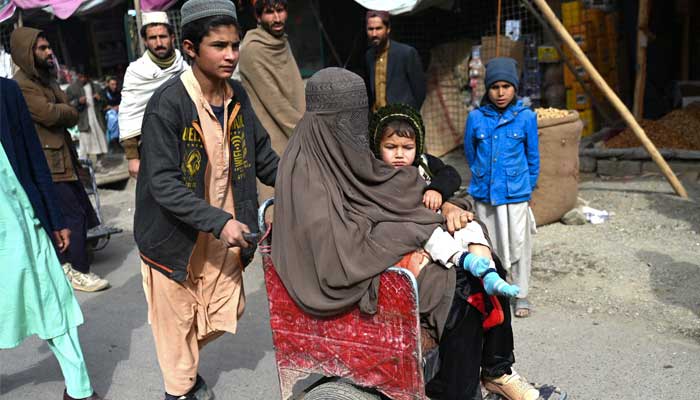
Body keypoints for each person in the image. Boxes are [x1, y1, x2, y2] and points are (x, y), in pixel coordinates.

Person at [273, 67, 538, 400]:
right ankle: (457, 391)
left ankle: (497, 370)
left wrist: (445, 209)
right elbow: (338, 246)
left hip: (383, 250)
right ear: (331, 117)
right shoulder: (306, 170)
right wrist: (412, 233)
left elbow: (385, 196)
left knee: (485, 264)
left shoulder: (342, 151)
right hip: (350, 274)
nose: (356, 129)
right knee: (459, 290)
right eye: (349, 119)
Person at [134, 0, 279, 398]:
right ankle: (179, 390)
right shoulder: (169, 104)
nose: (231, 55)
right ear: (190, 48)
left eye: (234, 45)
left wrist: (302, 186)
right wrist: (220, 222)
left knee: (225, 310)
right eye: (219, 46)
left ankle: (182, 365)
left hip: (223, 233)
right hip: (172, 236)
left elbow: (263, 156)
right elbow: (162, 183)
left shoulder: (238, 97)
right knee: (177, 324)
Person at [0, 77, 104, 400]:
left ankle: (79, 389)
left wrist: (55, 218)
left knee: (52, 299)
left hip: (21, 220)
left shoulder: (7, 92)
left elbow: (33, 157)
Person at [10, 27, 108, 292]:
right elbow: (51, 115)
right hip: (48, 163)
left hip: (65, 157)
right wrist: (65, 110)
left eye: (48, 47)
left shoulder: (47, 80)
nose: (49, 52)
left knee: (80, 212)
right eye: (42, 49)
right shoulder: (21, 86)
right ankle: (77, 271)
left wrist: (64, 110)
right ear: (26, 53)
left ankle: (70, 267)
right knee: (70, 216)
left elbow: (69, 110)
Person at [464, 57, 540, 319]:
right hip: (485, 193)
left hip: (516, 193)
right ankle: (496, 294)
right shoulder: (475, 118)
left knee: (519, 244)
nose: (500, 93)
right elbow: (471, 154)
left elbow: (533, 157)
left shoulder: (526, 117)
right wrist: (482, 176)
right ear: (487, 88)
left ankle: (521, 293)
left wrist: (527, 188)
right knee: (490, 245)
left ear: (515, 88)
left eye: (506, 86)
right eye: (495, 87)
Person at [238, 0, 305, 202]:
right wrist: (310, 132)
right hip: (274, 139)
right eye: (269, 12)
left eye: (280, 10)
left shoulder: (282, 42)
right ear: (258, 17)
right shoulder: (252, 49)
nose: (276, 18)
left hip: (299, 131)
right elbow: (276, 105)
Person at [119, 11, 188, 179]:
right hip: (153, 146)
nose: (158, 43)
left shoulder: (184, 69)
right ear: (145, 41)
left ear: (172, 37)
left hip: (187, 143)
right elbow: (129, 113)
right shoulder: (136, 72)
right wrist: (133, 158)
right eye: (152, 38)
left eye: (163, 36)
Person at [364, 10, 426, 112]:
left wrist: (408, 115)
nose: (374, 33)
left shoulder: (406, 53)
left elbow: (420, 91)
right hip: (378, 118)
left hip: (401, 119)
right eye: (370, 29)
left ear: (388, 29)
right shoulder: (369, 56)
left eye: (378, 28)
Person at [66, 70, 108, 164]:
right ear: (77, 76)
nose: (83, 79)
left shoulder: (96, 87)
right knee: (85, 144)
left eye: (85, 77)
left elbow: (105, 102)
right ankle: (84, 165)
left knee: (100, 141)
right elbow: (68, 104)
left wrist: (99, 98)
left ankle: (100, 162)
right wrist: (78, 101)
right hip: (84, 120)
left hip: (97, 118)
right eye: (81, 77)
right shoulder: (72, 88)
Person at [103, 77, 121, 146]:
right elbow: (103, 106)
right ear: (108, 84)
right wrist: (110, 107)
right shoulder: (104, 93)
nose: (114, 86)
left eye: (115, 84)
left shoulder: (118, 93)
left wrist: (118, 106)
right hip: (108, 115)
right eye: (112, 84)